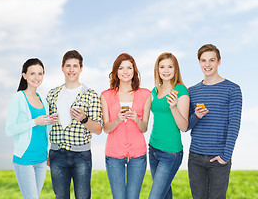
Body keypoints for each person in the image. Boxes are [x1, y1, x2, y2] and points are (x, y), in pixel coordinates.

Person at [187, 44, 242, 199]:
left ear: (219, 61)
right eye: (203, 60)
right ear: (199, 62)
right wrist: (196, 116)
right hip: (195, 158)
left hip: (219, 158)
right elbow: (186, 127)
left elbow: (234, 124)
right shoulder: (192, 91)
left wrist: (225, 156)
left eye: (211, 60)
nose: (207, 64)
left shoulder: (233, 89)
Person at [46, 50, 103, 199]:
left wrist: (84, 119)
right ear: (62, 68)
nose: (71, 70)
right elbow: (49, 126)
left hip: (81, 156)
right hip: (57, 154)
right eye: (68, 66)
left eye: (75, 66)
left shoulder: (90, 95)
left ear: (81, 68)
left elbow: (98, 129)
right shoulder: (52, 94)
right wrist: (49, 150)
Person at [101, 53, 151, 199]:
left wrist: (136, 118)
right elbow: (106, 128)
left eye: (129, 68)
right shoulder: (106, 95)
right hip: (114, 154)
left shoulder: (145, 94)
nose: (125, 72)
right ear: (116, 71)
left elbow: (144, 128)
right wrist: (117, 120)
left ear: (134, 71)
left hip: (138, 155)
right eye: (121, 68)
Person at [6, 58, 58, 199]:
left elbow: (43, 129)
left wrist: (51, 121)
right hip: (25, 159)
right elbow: (9, 129)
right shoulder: (18, 98)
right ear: (24, 75)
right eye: (32, 73)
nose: (37, 77)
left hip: (41, 158)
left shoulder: (43, 100)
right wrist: (34, 122)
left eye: (40, 74)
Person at [148, 52, 190, 199]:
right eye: (162, 67)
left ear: (175, 69)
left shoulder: (181, 90)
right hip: (153, 148)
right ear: (157, 70)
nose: (166, 71)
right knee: (164, 195)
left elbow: (184, 126)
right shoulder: (155, 91)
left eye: (170, 67)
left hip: (170, 153)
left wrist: (173, 107)